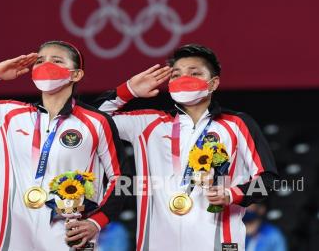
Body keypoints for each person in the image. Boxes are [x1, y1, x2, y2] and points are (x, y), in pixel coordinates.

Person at [0, 41, 126, 250]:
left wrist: (96, 222)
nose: (46, 65)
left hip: (70, 234)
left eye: (56, 60)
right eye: (40, 60)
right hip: (16, 235)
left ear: (76, 75)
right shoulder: (8, 115)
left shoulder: (96, 122)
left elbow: (121, 178)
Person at [96, 44, 279, 250]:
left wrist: (232, 194)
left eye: (195, 73)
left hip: (218, 243)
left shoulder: (237, 124)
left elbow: (268, 181)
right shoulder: (147, 124)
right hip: (157, 244)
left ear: (213, 83)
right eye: (176, 75)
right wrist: (128, 91)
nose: (185, 79)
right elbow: (91, 122)